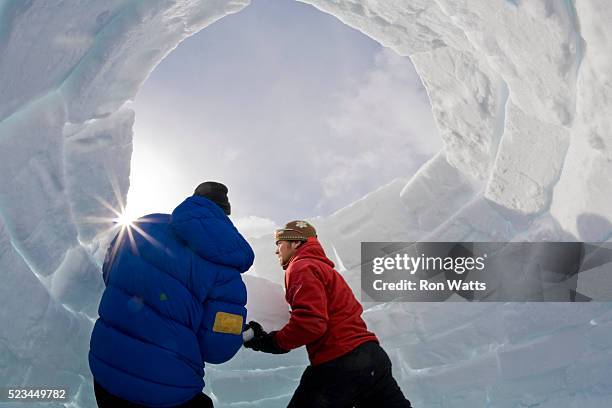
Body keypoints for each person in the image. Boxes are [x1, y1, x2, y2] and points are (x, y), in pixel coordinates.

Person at [89, 181, 254, 407]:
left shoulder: (142, 226)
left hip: (106, 371)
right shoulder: (227, 270)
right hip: (168, 391)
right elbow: (218, 348)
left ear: (193, 199)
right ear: (226, 213)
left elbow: (109, 272)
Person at [244, 221, 411, 407]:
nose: (277, 251)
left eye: (279, 244)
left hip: (340, 361)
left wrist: (273, 342)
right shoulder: (326, 270)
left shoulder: (300, 267)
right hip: (371, 357)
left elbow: (311, 323)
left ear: (296, 243)